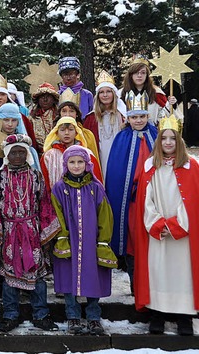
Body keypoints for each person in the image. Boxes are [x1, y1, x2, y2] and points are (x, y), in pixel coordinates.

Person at [133, 116, 199, 336]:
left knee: (183, 274)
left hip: (184, 234)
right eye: (164, 138)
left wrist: (176, 225)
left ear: (179, 141)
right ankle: (157, 314)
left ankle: (184, 317)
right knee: (158, 270)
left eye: (173, 138)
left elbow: (193, 202)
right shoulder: (150, 166)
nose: (168, 142)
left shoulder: (192, 165)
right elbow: (145, 199)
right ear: (158, 141)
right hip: (157, 231)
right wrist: (157, 223)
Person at [0, 134, 60, 333]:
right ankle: (10, 315)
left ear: (27, 154)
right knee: (9, 274)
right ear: (7, 156)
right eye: (14, 152)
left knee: (36, 272)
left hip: (31, 230)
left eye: (22, 152)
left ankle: (41, 314)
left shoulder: (36, 176)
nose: (18, 156)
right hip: (9, 231)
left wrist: (45, 234)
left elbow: (45, 203)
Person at [51, 145, 117, 335]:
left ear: (87, 164)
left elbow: (105, 216)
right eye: (72, 162)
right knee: (69, 278)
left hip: (91, 242)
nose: (76, 166)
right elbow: (57, 216)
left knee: (92, 277)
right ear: (66, 164)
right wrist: (62, 238)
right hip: (69, 241)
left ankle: (94, 317)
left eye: (80, 162)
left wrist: (102, 241)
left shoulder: (96, 188)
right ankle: (72, 316)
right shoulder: (59, 189)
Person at [105, 92, 158, 282]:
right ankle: (134, 278)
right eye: (134, 117)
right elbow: (117, 170)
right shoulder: (122, 138)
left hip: (154, 197)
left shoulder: (155, 135)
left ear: (147, 116)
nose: (138, 120)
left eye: (142, 116)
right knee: (132, 236)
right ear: (128, 118)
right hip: (132, 198)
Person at [40, 117, 102, 194]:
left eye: (71, 129)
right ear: (56, 133)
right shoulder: (48, 156)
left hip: (84, 198)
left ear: (76, 132)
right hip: (56, 199)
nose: (66, 133)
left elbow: (96, 180)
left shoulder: (87, 154)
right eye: (62, 130)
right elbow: (44, 182)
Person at [83, 71, 126, 178]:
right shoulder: (91, 118)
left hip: (119, 156)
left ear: (114, 94)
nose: (105, 95)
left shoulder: (123, 116)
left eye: (108, 91)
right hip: (100, 157)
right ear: (98, 96)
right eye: (102, 92)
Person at [120, 55, 182, 125]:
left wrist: (170, 105)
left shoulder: (156, 93)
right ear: (130, 75)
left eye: (143, 72)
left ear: (147, 75)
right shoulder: (121, 93)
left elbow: (163, 118)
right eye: (136, 72)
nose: (139, 75)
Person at [27, 83, 59, 154]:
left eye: (48, 97)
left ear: (54, 99)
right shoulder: (31, 117)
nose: (45, 99)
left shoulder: (59, 116)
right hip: (37, 152)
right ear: (37, 100)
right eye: (42, 97)